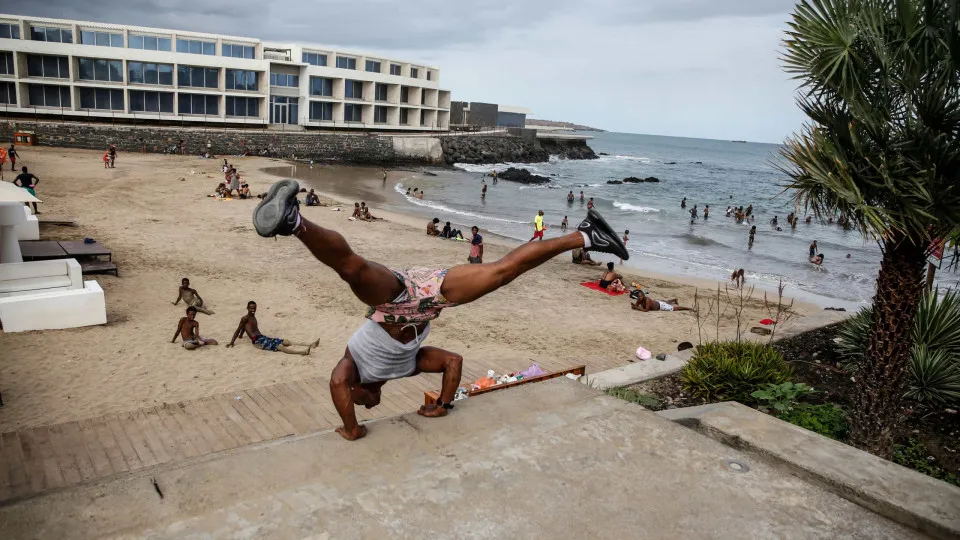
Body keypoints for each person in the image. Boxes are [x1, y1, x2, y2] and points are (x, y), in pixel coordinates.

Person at [250, 179, 629, 440]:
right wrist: (442, 406)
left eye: (359, 401)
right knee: (502, 272)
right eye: (362, 405)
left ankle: (293, 221)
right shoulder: (406, 367)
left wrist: (352, 429)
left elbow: (336, 384)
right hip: (429, 297)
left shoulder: (354, 366)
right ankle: (585, 235)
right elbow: (453, 362)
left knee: (352, 268)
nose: (363, 402)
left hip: (393, 300)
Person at [227, 301, 319, 355]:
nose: (252, 310)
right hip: (257, 342)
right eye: (251, 308)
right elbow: (238, 329)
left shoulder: (252, 318)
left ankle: (310, 345)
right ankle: (302, 352)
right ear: (247, 308)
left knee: (285, 341)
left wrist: (241, 336)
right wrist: (232, 342)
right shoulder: (245, 318)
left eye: (254, 308)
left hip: (263, 337)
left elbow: (244, 328)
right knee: (279, 347)